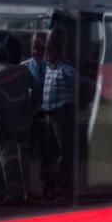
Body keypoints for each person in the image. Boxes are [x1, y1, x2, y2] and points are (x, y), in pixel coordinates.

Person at [0, 38, 37, 203]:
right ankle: (28, 191)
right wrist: (33, 109)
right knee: (24, 159)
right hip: (24, 120)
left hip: (4, 123)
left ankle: (15, 194)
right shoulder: (23, 70)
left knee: (8, 160)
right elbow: (37, 88)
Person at [41, 27, 76, 200]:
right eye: (48, 45)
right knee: (51, 153)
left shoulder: (66, 70)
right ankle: (51, 187)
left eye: (52, 46)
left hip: (62, 114)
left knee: (64, 153)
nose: (48, 49)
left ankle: (64, 189)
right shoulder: (47, 68)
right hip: (48, 115)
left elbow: (84, 84)